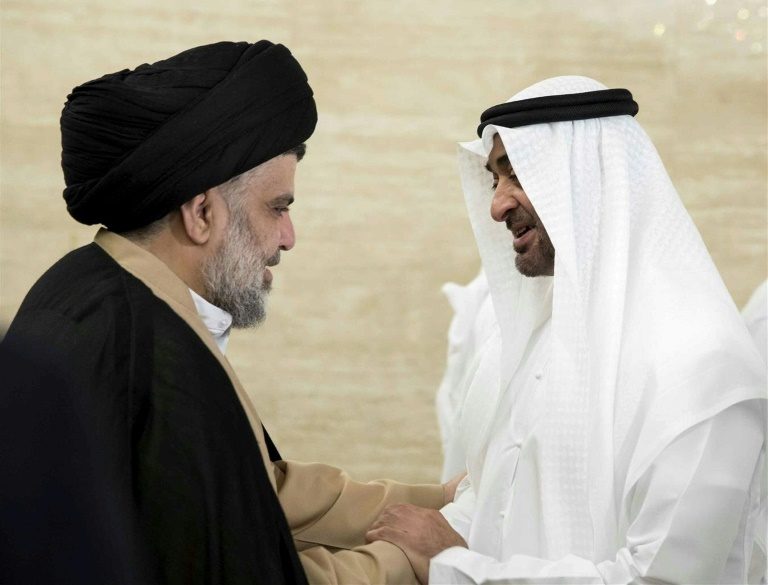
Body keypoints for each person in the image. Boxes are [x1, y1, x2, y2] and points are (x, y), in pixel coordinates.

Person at [3, 41, 459, 585]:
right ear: (201, 213)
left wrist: (438, 502)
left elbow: (251, 488)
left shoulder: (92, 285)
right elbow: (234, 568)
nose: (288, 237)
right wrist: (413, 560)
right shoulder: (149, 355)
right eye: (277, 208)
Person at [367, 76, 767, 584]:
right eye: (494, 181)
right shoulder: (533, 336)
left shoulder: (701, 364)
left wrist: (456, 567)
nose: (497, 206)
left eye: (517, 173)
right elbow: (499, 506)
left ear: (589, 179)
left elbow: (661, 577)